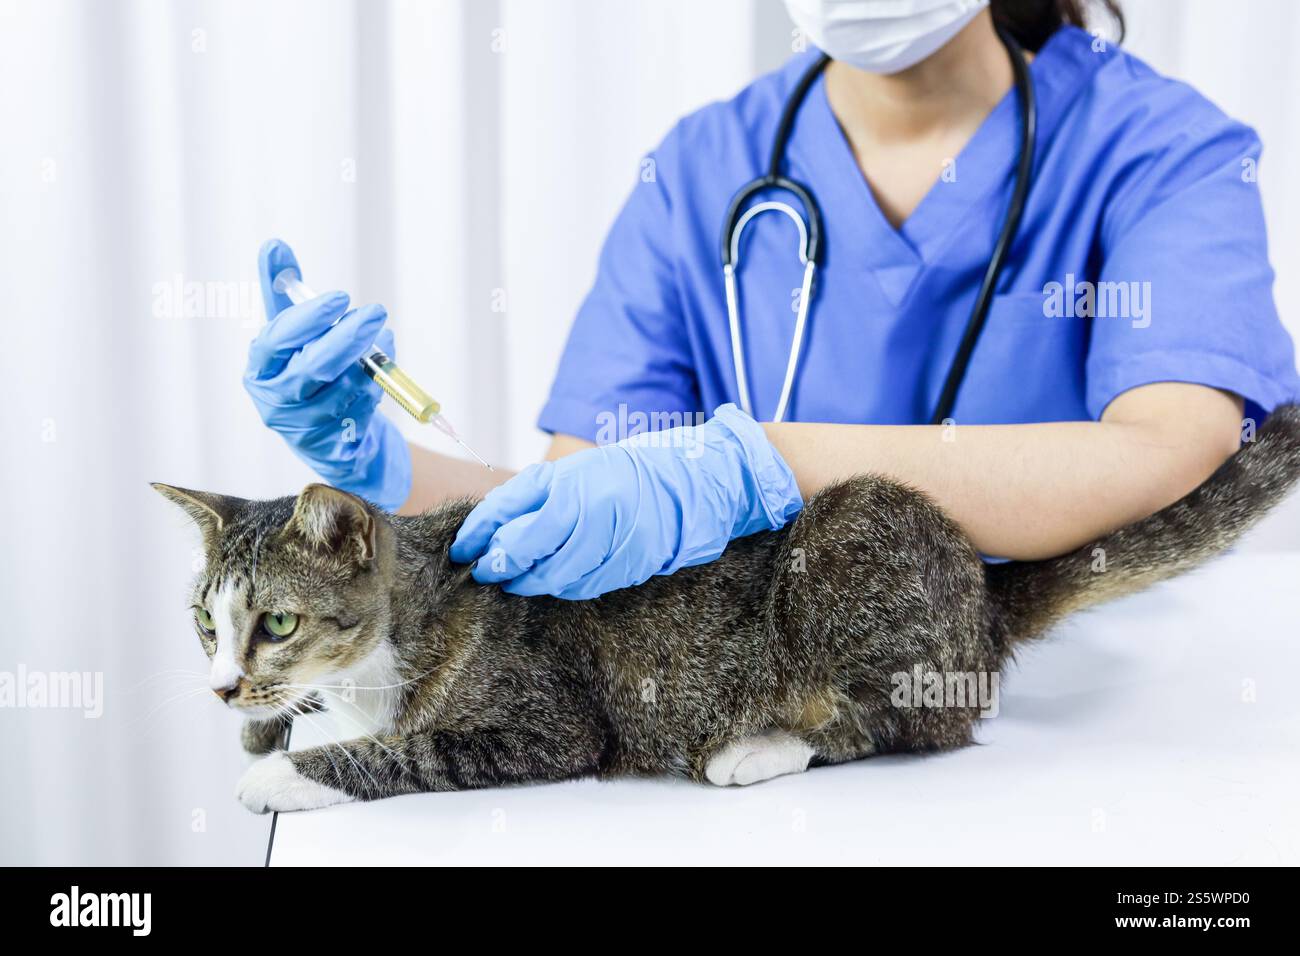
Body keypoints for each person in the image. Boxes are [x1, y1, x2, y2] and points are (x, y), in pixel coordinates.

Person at [246, 0, 1300, 601]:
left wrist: (768, 465)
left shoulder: (1159, 149)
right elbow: (582, 505)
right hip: (792, 725)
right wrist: (382, 466)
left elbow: (1170, 443)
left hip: (1099, 722)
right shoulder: (703, 169)